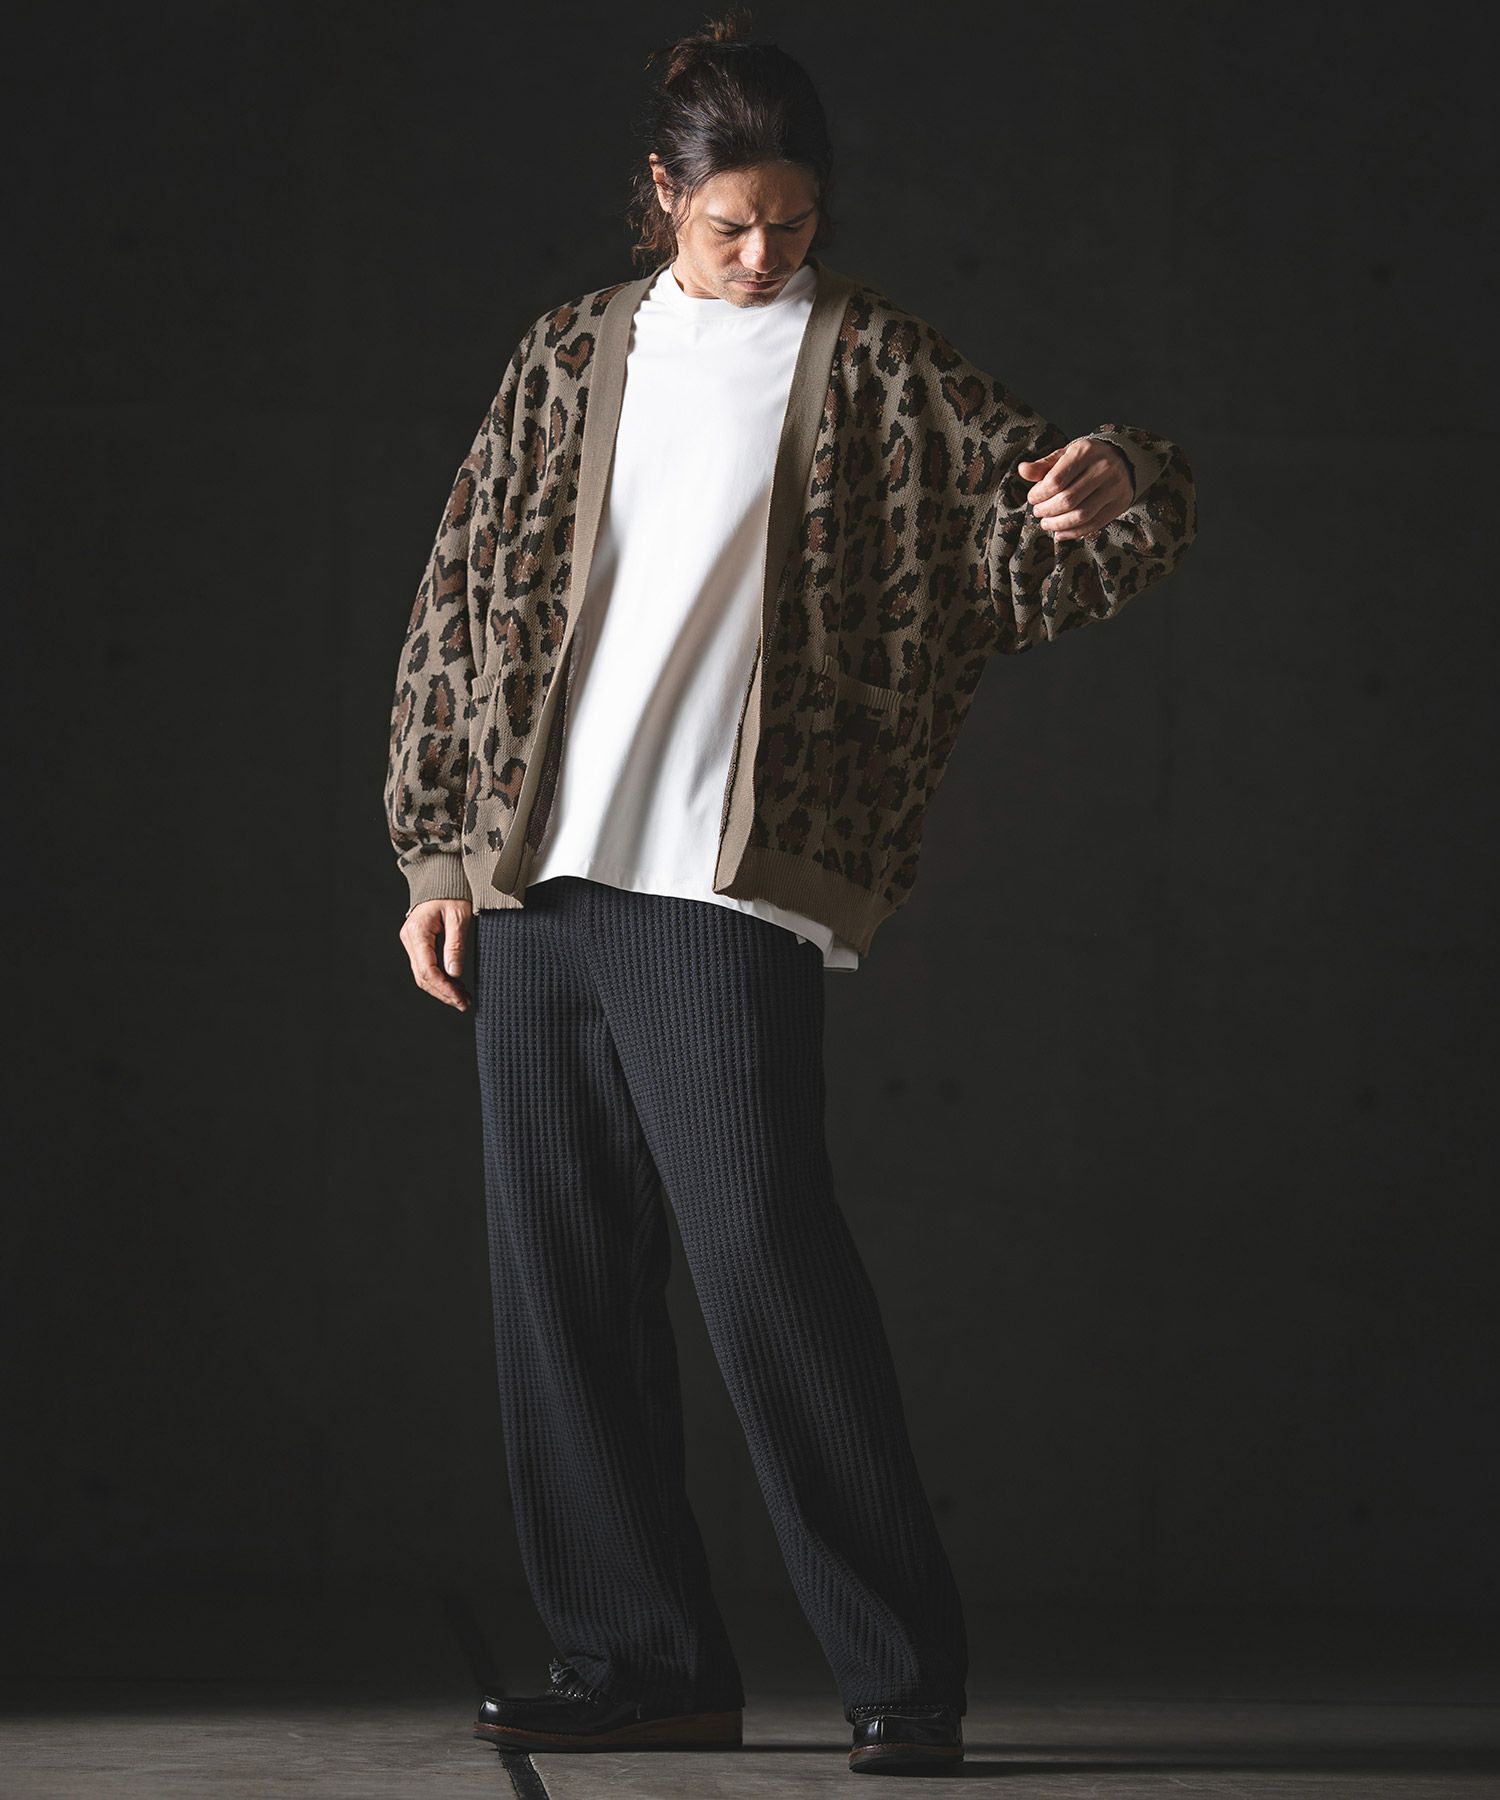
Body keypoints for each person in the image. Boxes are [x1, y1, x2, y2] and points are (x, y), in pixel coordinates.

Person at [383, 12, 1196, 1777]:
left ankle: (903, 1675)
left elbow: (1040, 546)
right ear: (661, 196)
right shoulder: (570, 352)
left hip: (722, 885)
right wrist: (440, 852)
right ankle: (641, 1660)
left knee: (767, 1265)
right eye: (730, 224)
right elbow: (462, 595)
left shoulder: (878, 360)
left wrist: (1118, 478)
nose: (765, 255)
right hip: (535, 879)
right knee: (561, 1281)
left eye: (795, 223)